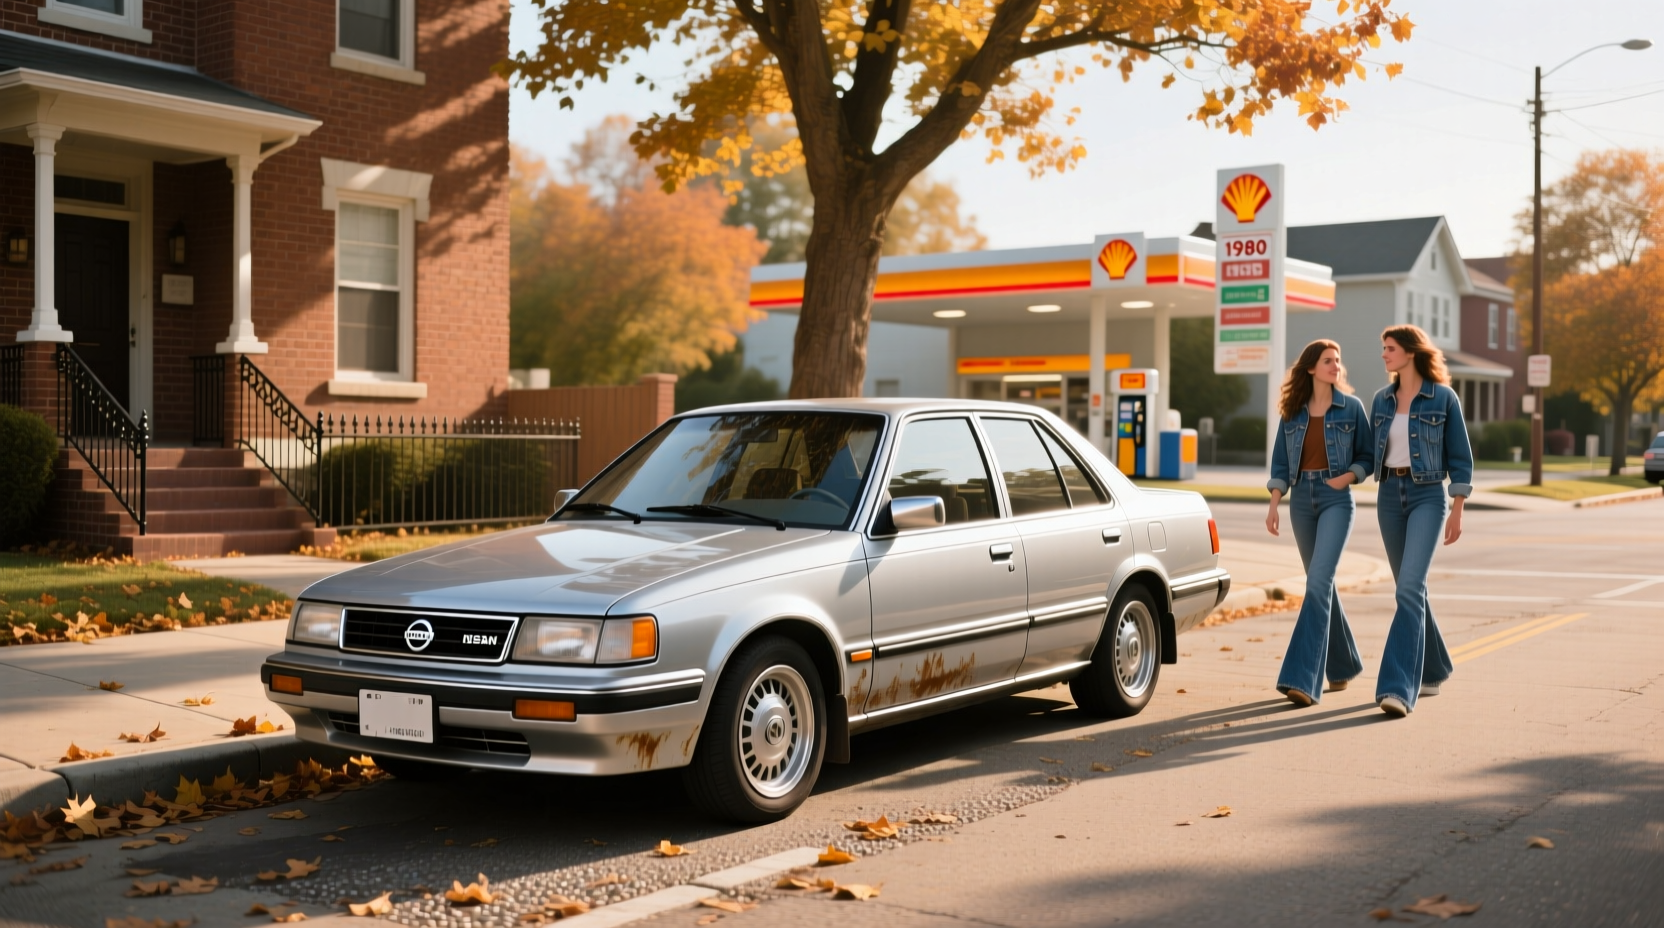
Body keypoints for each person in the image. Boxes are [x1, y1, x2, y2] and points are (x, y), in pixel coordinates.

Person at [1370, 325, 1471, 718]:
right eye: (1383, 348)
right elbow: (1365, 451)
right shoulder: (1381, 400)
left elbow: (1460, 457)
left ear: (1410, 352)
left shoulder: (1443, 398)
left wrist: (1457, 507)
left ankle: (1397, 687)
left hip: (1427, 495)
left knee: (1409, 588)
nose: (1384, 354)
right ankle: (1434, 669)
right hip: (1388, 497)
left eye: (1390, 348)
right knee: (1410, 589)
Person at [1265, 339, 1372, 707]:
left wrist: (1347, 478)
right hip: (1300, 502)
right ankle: (1342, 666)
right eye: (1328, 360)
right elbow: (1280, 463)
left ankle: (1302, 679)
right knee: (1321, 584)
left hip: (1336, 500)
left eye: (1337, 360)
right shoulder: (1292, 412)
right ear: (1311, 367)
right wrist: (1274, 503)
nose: (1335, 365)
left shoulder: (1351, 408)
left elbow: (1368, 456)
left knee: (1318, 582)